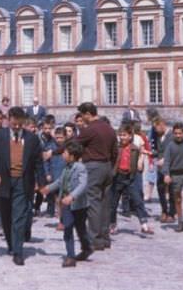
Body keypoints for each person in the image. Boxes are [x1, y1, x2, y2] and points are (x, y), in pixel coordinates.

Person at [0, 106, 45, 266]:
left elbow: (38, 162)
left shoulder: (32, 139)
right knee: (6, 216)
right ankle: (11, 244)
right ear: (9, 120)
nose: (17, 127)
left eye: (20, 124)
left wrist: (42, 183)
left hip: (23, 181)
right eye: (14, 124)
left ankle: (18, 251)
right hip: (3, 180)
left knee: (19, 216)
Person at [75, 102, 117, 252]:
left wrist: (53, 152)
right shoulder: (109, 129)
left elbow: (73, 143)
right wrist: (111, 167)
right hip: (107, 167)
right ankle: (105, 238)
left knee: (93, 203)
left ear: (88, 114)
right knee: (105, 203)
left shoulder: (90, 130)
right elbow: (115, 151)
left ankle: (95, 239)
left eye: (82, 115)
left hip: (93, 167)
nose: (82, 119)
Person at [41, 141, 91, 267]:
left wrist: (72, 196)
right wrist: (48, 188)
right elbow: (59, 182)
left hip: (79, 205)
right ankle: (70, 256)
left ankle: (87, 248)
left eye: (65, 152)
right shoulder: (66, 167)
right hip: (66, 205)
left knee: (81, 229)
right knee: (67, 228)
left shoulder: (81, 168)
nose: (62, 154)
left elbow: (83, 185)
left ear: (73, 155)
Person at [109, 124, 154, 236]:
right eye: (120, 135)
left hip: (130, 178)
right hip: (118, 177)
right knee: (113, 204)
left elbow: (143, 154)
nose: (122, 137)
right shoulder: (116, 148)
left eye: (124, 135)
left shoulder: (135, 148)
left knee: (138, 201)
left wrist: (142, 160)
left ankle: (144, 225)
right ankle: (112, 225)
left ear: (130, 136)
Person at [151, 117, 176, 222]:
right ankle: (164, 211)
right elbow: (158, 150)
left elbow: (174, 151)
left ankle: (172, 213)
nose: (154, 130)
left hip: (171, 167)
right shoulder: (158, 136)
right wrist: (150, 153)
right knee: (160, 189)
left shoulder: (172, 136)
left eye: (155, 127)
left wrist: (165, 160)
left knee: (171, 190)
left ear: (162, 125)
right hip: (160, 168)